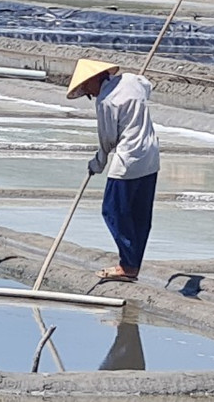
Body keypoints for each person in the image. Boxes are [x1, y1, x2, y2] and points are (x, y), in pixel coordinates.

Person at [66, 59, 160, 282]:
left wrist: (96, 163)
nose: (86, 92)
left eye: (85, 87)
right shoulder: (131, 80)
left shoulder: (106, 101)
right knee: (140, 214)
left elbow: (108, 139)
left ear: (93, 80)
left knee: (113, 211)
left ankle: (127, 265)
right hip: (151, 155)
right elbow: (148, 86)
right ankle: (132, 265)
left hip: (129, 159)